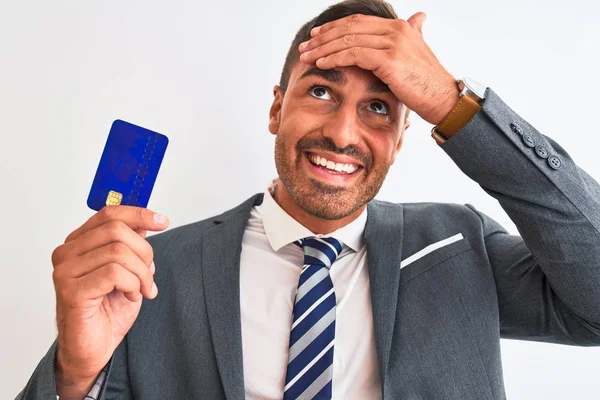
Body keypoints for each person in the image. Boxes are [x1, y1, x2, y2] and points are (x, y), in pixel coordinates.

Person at [17, 0, 600, 399]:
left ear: (401, 139)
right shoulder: (150, 272)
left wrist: (452, 102)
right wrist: (74, 375)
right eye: (321, 91)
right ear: (277, 108)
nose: (344, 134)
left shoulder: (459, 246)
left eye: (378, 107)